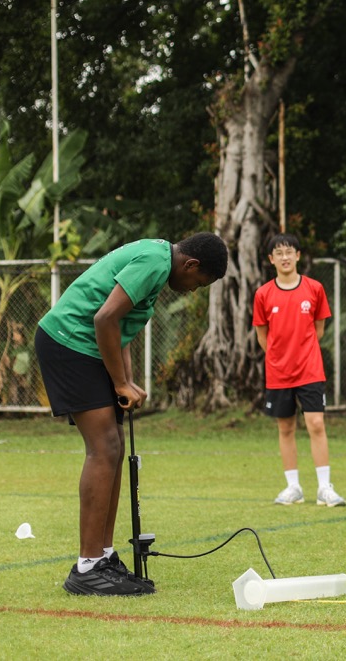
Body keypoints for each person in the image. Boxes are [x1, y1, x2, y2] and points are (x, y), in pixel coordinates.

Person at [36, 233, 228, 595]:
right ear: (191, 265)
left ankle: (104, 556)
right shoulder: (155, 262)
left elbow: (120, 329)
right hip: (69, 342)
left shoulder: (158, 260)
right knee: (103, 448)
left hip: (87, 348)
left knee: (115, 447)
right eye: (198, 284)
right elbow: (105, 318)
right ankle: (87, 567)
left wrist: (126, 381)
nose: (192, 291)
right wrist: (120, 383)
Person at [252, 232, 346, 508]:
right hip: (278, 373)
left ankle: (324, 488)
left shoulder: (314, 289)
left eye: (289, 252)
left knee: (316, 424)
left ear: (298, 256)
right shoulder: (263, 294)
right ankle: (293, 487)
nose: (285, 257)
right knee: (286, 428)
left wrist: (301, 354)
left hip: (310, 370)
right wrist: (280, 357)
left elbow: (319, 330)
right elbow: (262, 336)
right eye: (279, 253)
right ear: (271, 259)